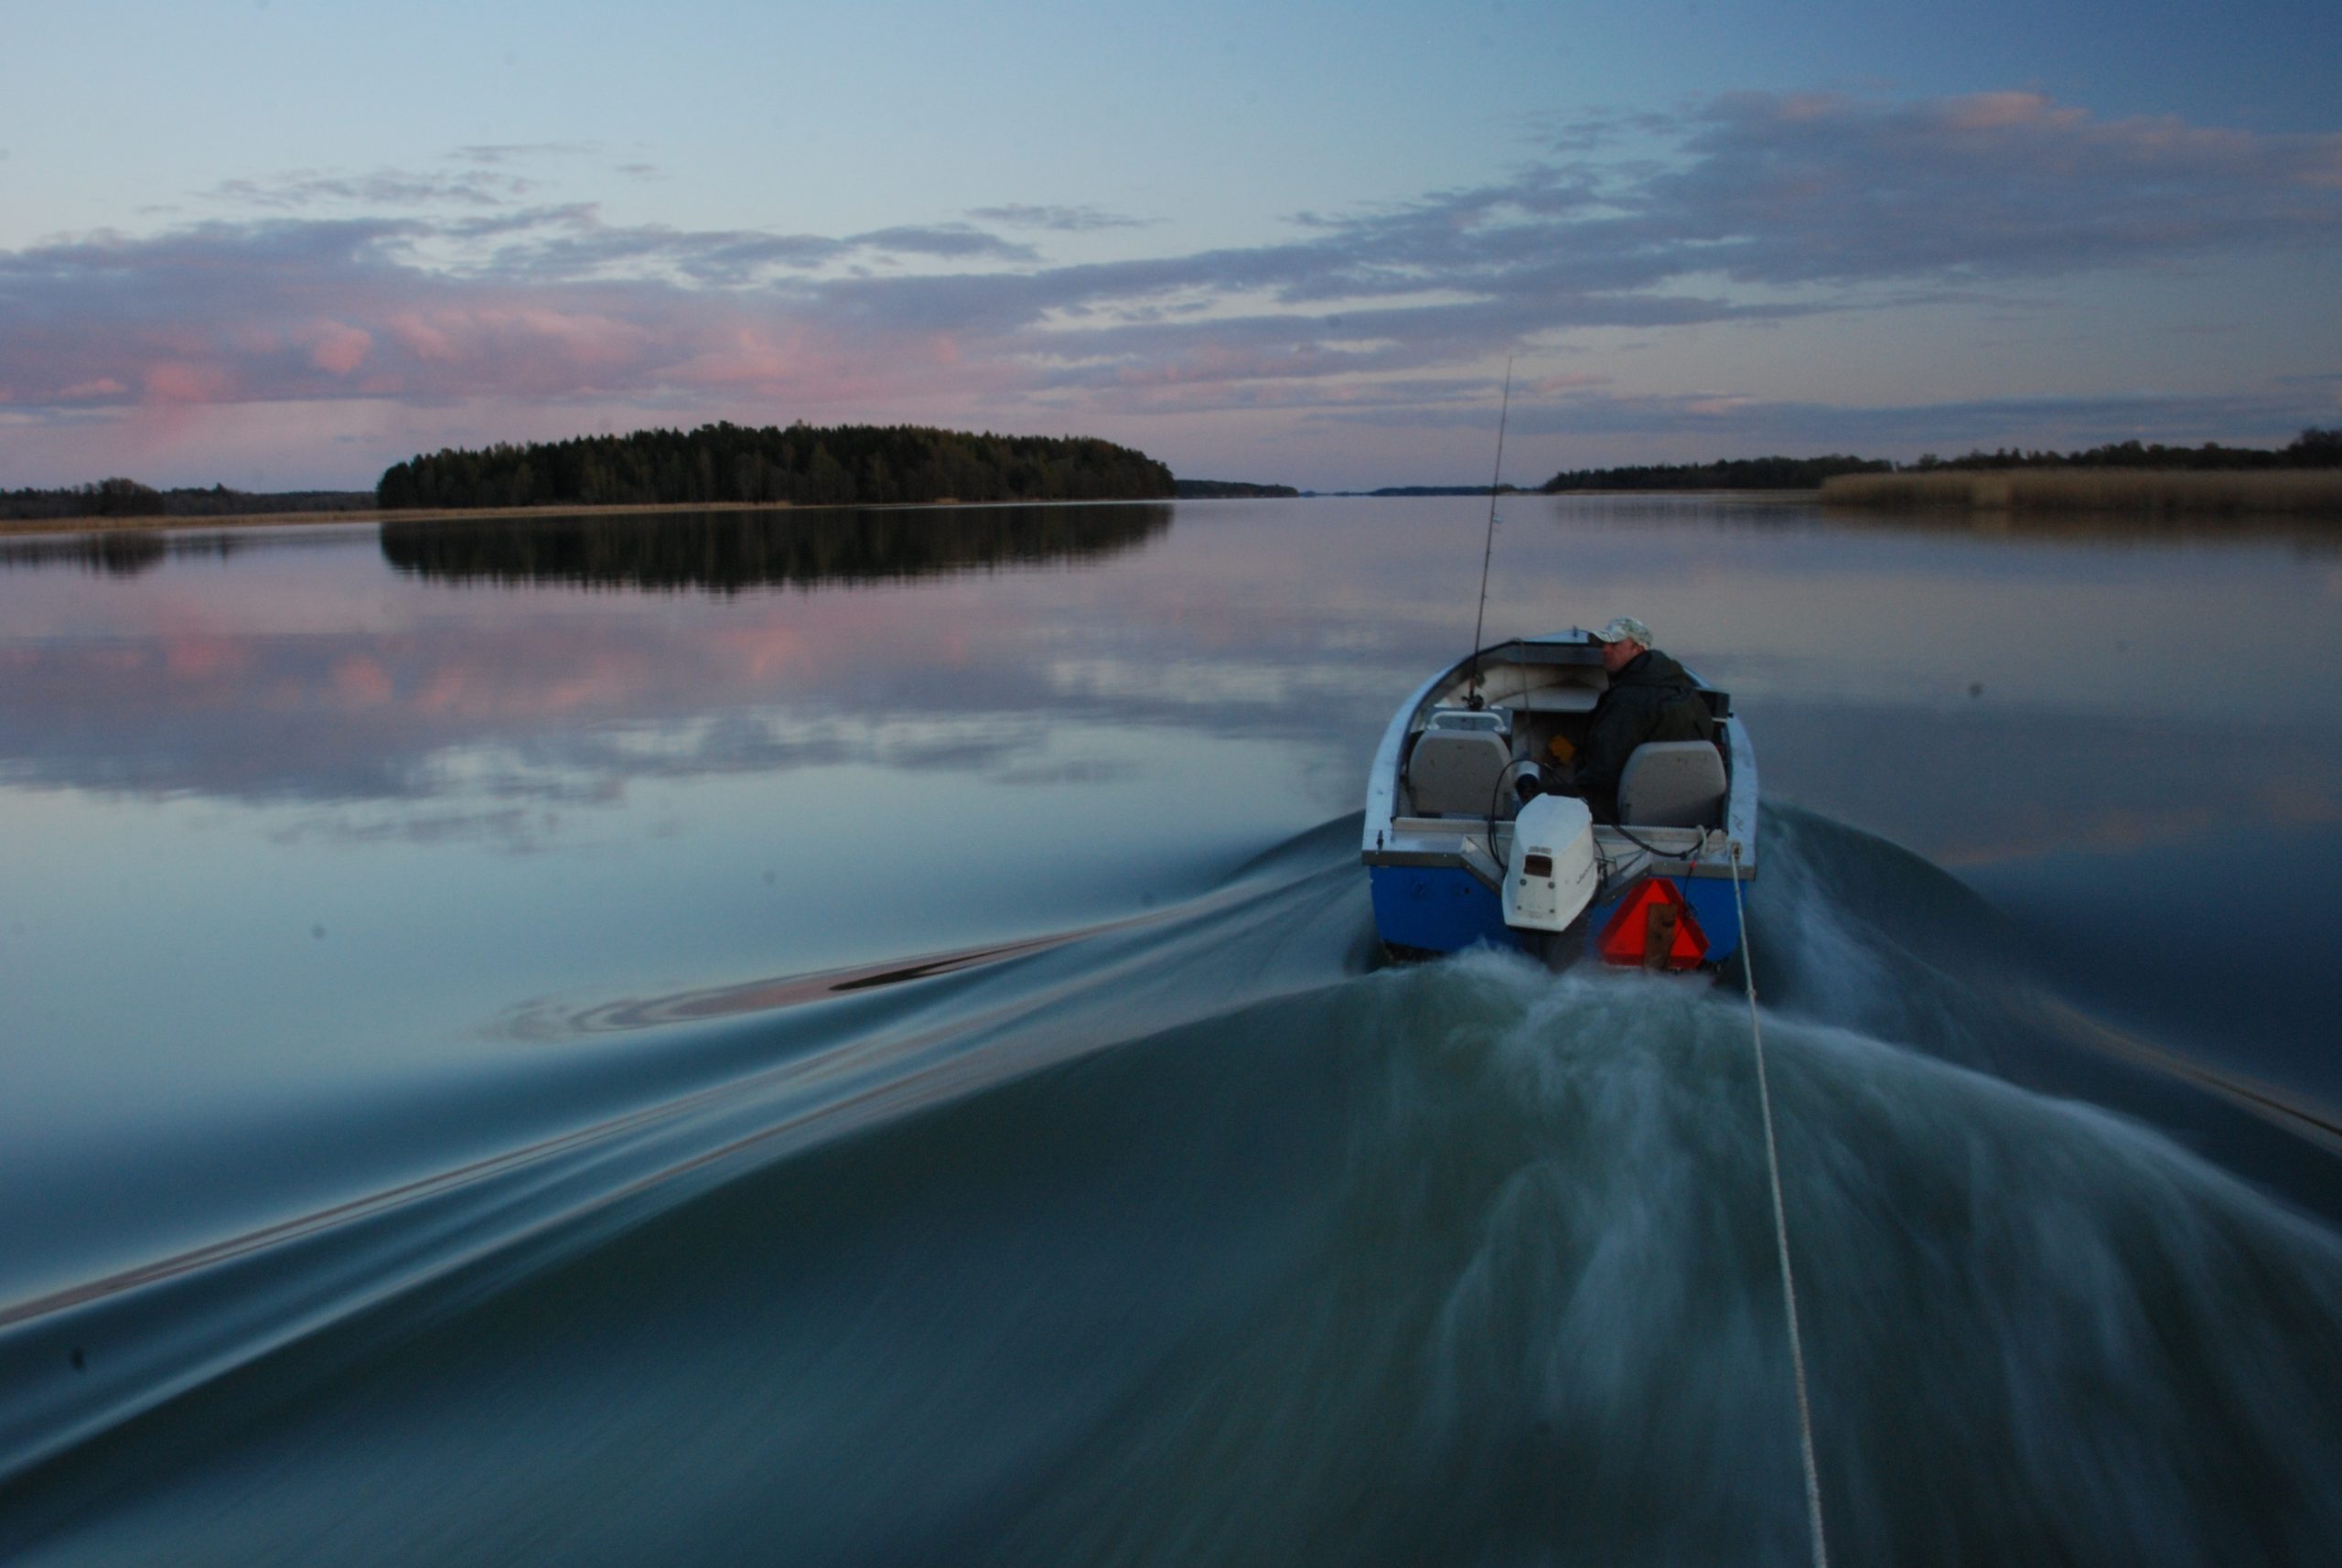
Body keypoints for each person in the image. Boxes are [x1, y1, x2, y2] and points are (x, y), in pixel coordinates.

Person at [1573, 616, 1716, 823]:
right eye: (1603, 644)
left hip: (1619, 812)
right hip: (1685, 806)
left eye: (1615, 644)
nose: (1604, 649)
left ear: (1638, 650)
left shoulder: (1627, 701)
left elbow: (1601, 773)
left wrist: (1568, 790)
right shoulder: (1679, 684)